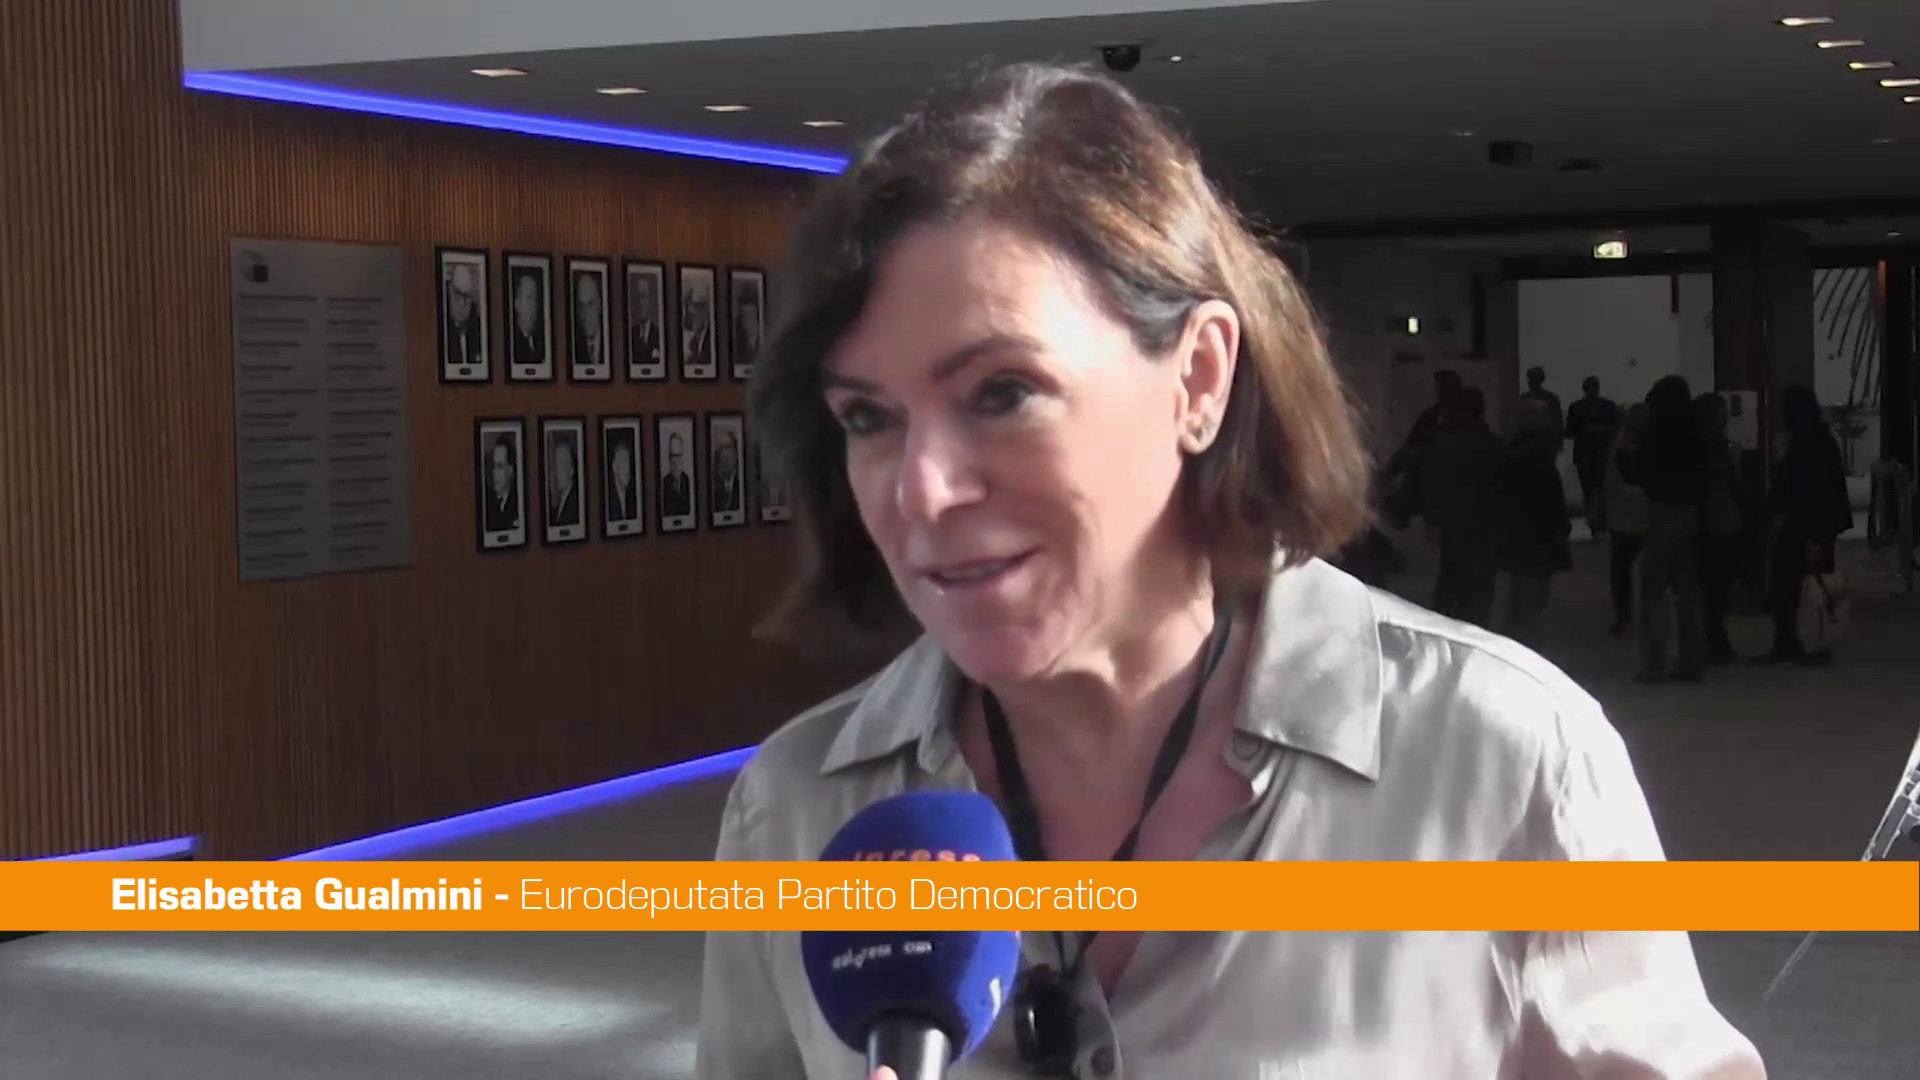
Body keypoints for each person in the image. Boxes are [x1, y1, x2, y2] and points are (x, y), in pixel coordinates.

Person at [698, 61, 1763, 1079]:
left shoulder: (1498, 758)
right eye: (869, 418)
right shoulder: (794, 812)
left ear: (1199, 379)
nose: (922, 490)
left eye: (1002, 393)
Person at [1756, 385, 1852, 665]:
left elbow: (1800, 489)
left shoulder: (1805, 444)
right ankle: (1814, 642)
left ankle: (1793, 642)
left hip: (1805, 526)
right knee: (1814, 586)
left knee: (1789, 584)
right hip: (1816, 526)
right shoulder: (1820, 440)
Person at [1621, 375, 1708, 682]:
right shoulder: (1695, 432)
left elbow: (1641, 473)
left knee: (1652, 588)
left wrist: (1628, 453)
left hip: (1665, 511)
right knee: (1688, 589)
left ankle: (1654, 663)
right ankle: (1692, 660)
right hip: (1691, 512)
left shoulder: (1658, 433)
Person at [1493, 397, 1572, 647]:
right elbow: (1550, 503)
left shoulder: (1510, 454)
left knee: (1516, 604)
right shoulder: (1538, 458)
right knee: (1529, 607)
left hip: (1515, 539)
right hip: (1536, 542)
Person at [1420, 387, 1501, 626]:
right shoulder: (1491, 444)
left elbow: (1436, 484)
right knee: (1474, 587)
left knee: (1456, 584)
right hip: (1478, 526)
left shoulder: (1449, 445)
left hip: (1462, 524)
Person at [1696, 393, 1743, 663]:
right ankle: (1715, 640)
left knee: (1714, 585)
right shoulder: (1713, 448)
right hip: (1716, 520)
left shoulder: (1712, 446)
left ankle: (1712, 639)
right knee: (1714, 585)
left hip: (1718, 519)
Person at [1603, 402, 1651, 637]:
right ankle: (1630, 617)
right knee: (1631, 571)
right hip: (1640, 516)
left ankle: (1625, 617)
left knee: (1622, 571)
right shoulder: (1630, 449)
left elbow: (1612, 484)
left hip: (1626, 517)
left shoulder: (1620, 448)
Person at [1566, 375, 1620, 530]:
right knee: (1602, 488)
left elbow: (1570, 432)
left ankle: (1594, 524)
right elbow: (1616, 429)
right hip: (1602, 452)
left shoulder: (1576, 407)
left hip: (1584, 453)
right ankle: (1602, 523)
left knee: (1588, 490)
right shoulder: (1608, 406)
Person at [1520, 366, 1564, 442]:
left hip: (1529, 440)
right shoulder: (1551, 398)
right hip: (1547, 440)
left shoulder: (1524, 398)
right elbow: (1558, 423)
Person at [660, 431, 693, 518]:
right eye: (672, 456)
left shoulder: (688, 481)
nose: (675, 461)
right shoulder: (664, 483)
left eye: (678, 456)